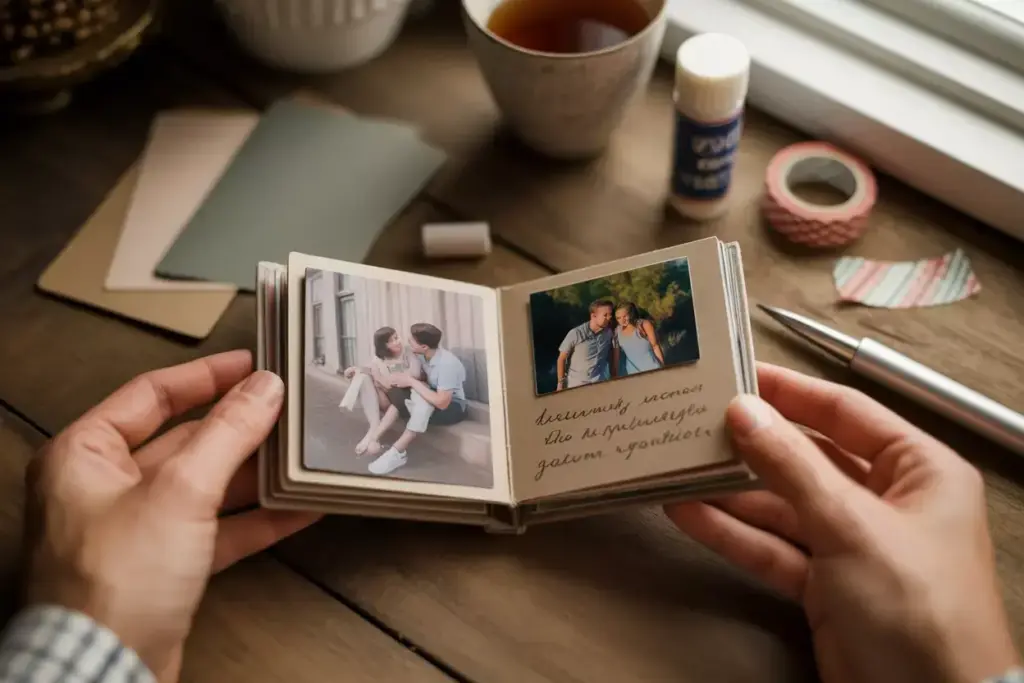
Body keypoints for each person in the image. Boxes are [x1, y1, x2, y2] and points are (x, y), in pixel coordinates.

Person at [1, 351, 1021, 683]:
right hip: (427, 409)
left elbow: (449, 394)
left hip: (449, 413)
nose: (400, 349)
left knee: (403, 407)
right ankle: (378, 440)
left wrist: (90, 623)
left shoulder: (449, 360)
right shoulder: (420, 356)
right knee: (383, 401)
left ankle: (384, 442)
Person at [366, 323, 468, 476]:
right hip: (430, 394)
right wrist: (361, 370)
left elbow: (442, 403)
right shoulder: (422, 355)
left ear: (424, 346)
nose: (407, 341)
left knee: (421, 405)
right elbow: (383, 364)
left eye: (412, 341)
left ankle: (397, 452)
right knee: (400, 393)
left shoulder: (447, 364)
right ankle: (377, 439)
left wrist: (411, 381)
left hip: (452, 407)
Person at [342, 326, 423, 457]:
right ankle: (374, 426)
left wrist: (384, 380)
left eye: (396, 337)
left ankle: (373, 435)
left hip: (401, 398)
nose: (397, 342)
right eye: (391, 341)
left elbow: (416, 373)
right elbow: (367, 369)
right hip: (386, 397)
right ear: (383, 346)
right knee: (362, 377)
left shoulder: (408, 352)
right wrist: (353, 371)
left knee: (392, 394)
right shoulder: (380, 359)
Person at [555, 299, 616, 391]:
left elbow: (612, 354)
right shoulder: (576, 333)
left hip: (599, 384)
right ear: (593, 316)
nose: (609, 317)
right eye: (605, 315)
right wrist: (560, 384)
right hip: (576, 385)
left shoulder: (609, 333)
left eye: (610, 314)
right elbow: (561, 359)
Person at [611, 301, 664, 376]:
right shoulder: (616, 332)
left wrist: (663, 368)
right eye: (618, 318)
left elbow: (655, 347)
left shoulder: (644, 325)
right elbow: (616, 358)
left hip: (653, 370)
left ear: (631, 314)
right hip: (633, 374)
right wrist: (614, 375)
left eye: (625, 316)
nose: (622, 320)